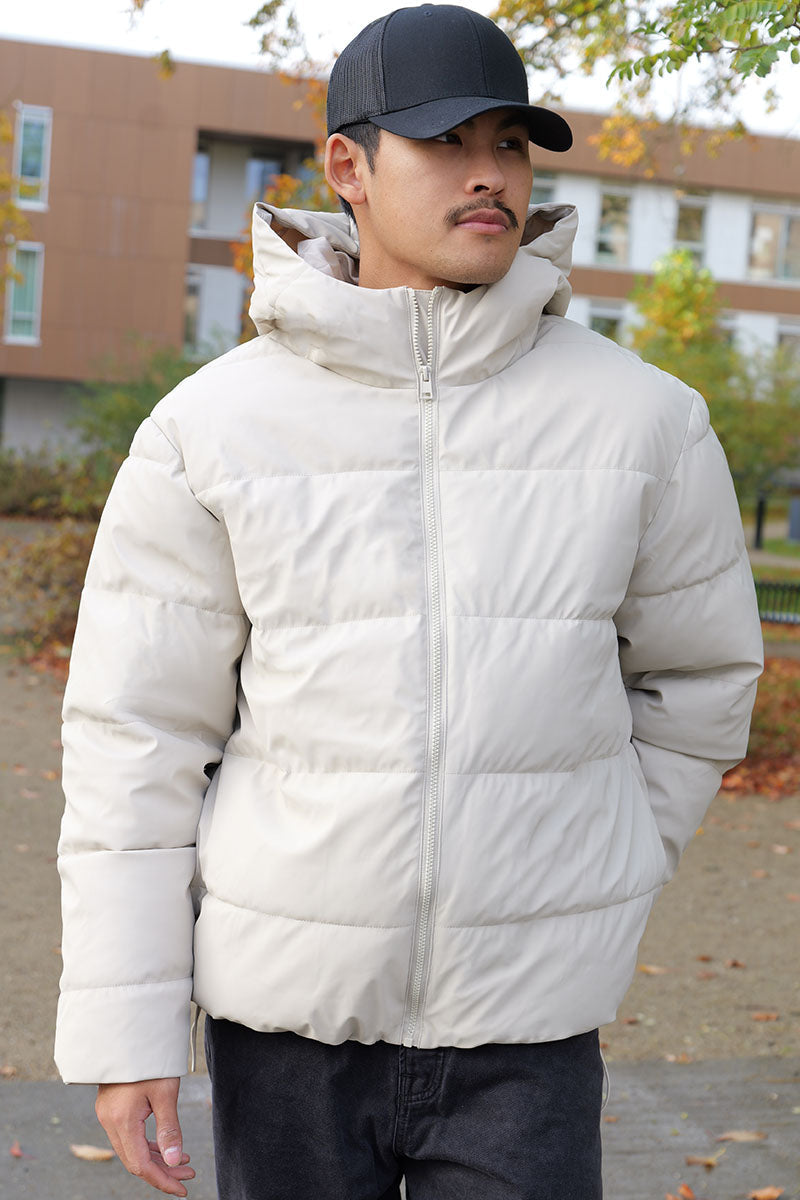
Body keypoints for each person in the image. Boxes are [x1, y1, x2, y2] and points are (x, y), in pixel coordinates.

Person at [55, 5, 763, 1198]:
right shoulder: (212, 429)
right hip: (285, 1027)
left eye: (510, 143)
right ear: (347, 165)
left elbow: (699, 678)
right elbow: (138, 737)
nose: (488, 174)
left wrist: (611, 852)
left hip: (529, 1034)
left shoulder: (643, 421)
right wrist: (127, 1032)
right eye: (445, 142)